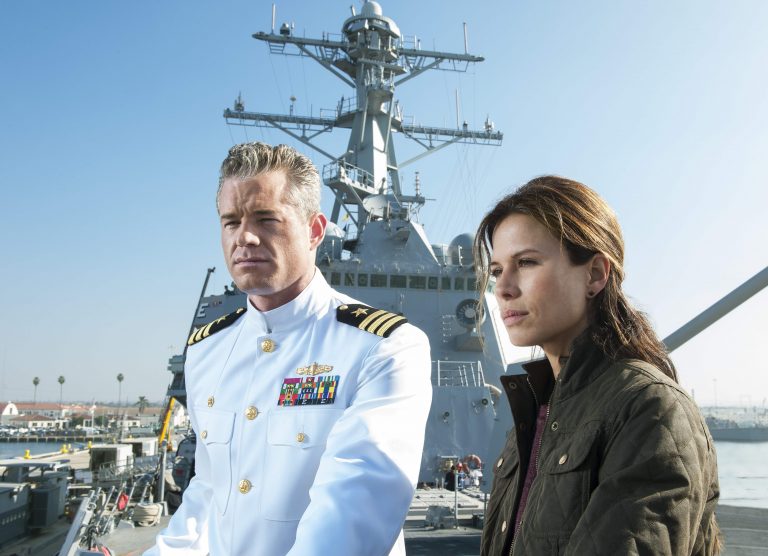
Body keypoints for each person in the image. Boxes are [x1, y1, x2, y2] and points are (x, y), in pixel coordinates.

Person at [146, 142, 432, 555]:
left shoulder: (382, 348)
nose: (244, 237)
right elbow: (208, 492)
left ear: (315, 231)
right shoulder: (207, 349)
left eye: (266, 219)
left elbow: (352, 515)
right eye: (231, 222)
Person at [473, 176, 720, 555]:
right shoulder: (540, 408)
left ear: (595, 274)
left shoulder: (649, 408)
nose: (503, 288)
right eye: (495, 271)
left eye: (526, 263)